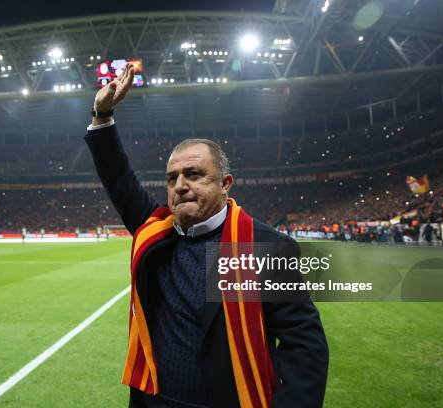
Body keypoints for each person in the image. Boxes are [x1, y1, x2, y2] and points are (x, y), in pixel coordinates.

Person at [85, 63, 328, 408]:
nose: (180, 186)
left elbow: (304, 346)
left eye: (194, 174)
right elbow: (117, 175)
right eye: (172, 178)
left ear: (225, 184)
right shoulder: (157, 232)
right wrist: (103, 113)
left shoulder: (267, 247)